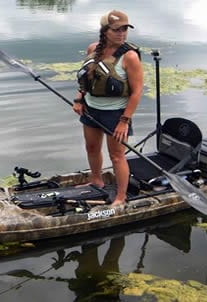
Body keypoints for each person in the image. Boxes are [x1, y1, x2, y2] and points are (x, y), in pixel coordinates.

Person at [73, 10, 144, 206]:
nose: (121, 34)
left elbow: (137, 92)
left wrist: (124, 121)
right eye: (116, 30)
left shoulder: (129, 56)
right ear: (105, 31)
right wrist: (79, 99)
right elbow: (88, 79)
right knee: (92, 148)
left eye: (124, 29)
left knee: (116, 155)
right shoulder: (93, 49)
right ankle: (97, 180)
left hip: (116, 114)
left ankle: (121, 197)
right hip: (91, 109)